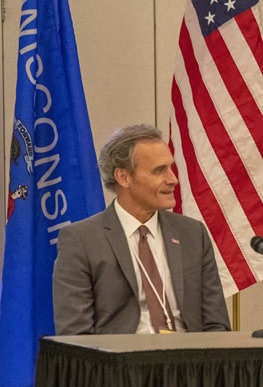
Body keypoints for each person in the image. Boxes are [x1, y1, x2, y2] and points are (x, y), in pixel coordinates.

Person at [52, 124, 230, 334]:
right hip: (119, 363)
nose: (173, 179)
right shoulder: (82, 240)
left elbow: (217, 325)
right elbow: (76, 336)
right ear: (123, 177)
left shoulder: (192, 234)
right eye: (159, 170)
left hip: (188, 362)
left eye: (171, 168)